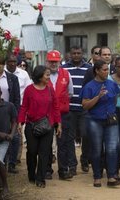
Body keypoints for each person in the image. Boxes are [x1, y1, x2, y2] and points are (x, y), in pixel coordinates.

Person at [18, 65, 61, 188]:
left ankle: (40, 178)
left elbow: (56, 107)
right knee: (32, 151)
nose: (48, 77)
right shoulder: (29, 90)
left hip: (47, 126)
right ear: (39, 76)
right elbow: (24, 107)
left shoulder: (50, 90)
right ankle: (31, 174)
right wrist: (20, 122)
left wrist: (59, 124)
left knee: (44, 152)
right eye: (46, 75)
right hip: (31, 125)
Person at [80, 60, 120, 187]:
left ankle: (111, 177)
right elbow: (85, 105)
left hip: (111, 120)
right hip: (94, 121)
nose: (106, 72)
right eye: (104, 69)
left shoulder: (111, 84)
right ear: (97, 71)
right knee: (97, 149)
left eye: (107, 69)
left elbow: (116, 98)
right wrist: (98, 96)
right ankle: (97, 177)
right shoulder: (89, 86)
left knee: (112, 149)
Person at [0, 54, 20, 177]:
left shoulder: (12, 78)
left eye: (0, 63)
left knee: (13, 139)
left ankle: (10, 164)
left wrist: (16, 117)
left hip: (7, 112)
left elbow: (17, 98)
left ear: (4, 65)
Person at [46, 50, 74, 180]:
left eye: (55, 61)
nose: (53, 64)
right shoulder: (42, 74)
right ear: (47, 62)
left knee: (62, 143)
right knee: (46, 143)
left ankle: (63, 170)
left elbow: (70, 93)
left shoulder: (66, 74)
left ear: (59, 61)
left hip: (63, 114)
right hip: (46, 114)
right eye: (51, 61)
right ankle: (47, 170)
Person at [62, 46, 91, 174]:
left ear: (82, 54)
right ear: (70, 54)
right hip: (69, 108)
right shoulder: (63, 68)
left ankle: (84, 160)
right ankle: (72, 164)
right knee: (70, 137)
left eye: (78, 53)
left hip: (85, 108)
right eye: (73, 53)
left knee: (86, 135)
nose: (76, 55)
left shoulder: (89, 68)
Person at [0, 82, 17, 199]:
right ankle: (1, 189)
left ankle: (5, 187)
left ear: (0, 93)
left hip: (4, 140)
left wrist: (11, 133)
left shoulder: (9, 106)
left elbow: (14, 121)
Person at [5, 53, 32, 166]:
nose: (12, 63)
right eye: (10, 61)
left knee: (17, 133)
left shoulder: (23, 74)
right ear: (6, 62)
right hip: (2, 108)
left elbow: (28, 91)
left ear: (17, 63)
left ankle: (15, 159)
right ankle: (5, 158)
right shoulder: (1, 73)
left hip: (19, 107)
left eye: (14, 61)